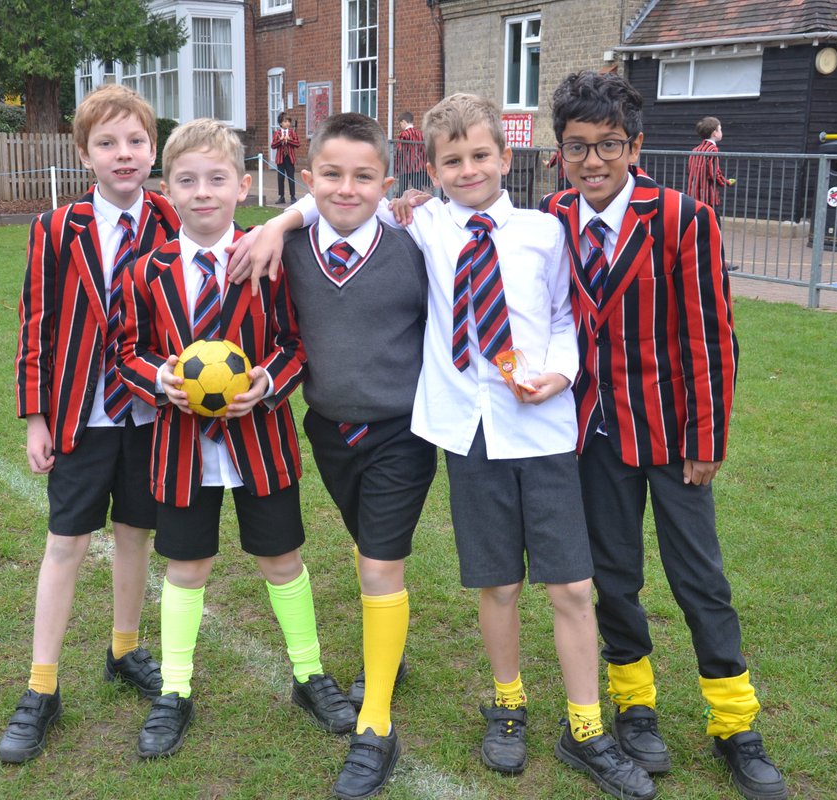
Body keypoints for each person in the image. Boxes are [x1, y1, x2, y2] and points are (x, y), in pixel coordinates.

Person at [242, 93, 656, 800]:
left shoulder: (543, 230)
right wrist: (282, 217)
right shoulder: (424, 224)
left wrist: (559, 373)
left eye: (481, 156)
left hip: (545, 430)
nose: (468, 171)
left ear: (508, 157)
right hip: (467, 431)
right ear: (428, 170)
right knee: (496, 583)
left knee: (572, 586)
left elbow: (565, 315)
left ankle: (586, 725)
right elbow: (337, 198)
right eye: (452, 161)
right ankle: (508, 703)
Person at [540, 72, 786, 800]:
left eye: (608, 145)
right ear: (560, 152)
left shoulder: (682, 220)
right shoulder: (550, 217)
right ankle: (635, 705)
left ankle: (734, 721)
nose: (593, 162)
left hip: (675, 434)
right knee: (614, 577)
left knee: (699, 578)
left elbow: (714, 340)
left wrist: (708, 437)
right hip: (596, 435)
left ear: (636, 146)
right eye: (577, 148)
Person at [116, 117, 356, 759]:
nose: (202, 193)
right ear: (167, 190)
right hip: (180, 450)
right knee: (186, 566)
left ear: (242, 184)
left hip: (260, 441)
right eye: (187, 181)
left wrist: (268, 383)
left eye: (217, 179)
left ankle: (310, 675)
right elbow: (125, 351)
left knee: (281, 559)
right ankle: (174, 689)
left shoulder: (270, 257)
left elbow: (294, 345)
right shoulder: (147, 271)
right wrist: (160, 378)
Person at [1, 83, 176, 764]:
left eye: (135, 141)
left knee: (135, 534)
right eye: (107, 143)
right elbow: (35, 326)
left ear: (153, 147)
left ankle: (125, 650)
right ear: (84, 154)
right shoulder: (55, 228)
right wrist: (36, 416)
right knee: (67, 543)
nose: (123, 154)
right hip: (81, 416)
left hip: (149, 414)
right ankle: (41, 687)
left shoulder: (172, 217)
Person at [283, 112, 434, 800]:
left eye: (364, 176)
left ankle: (376, 726)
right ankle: (387, 654)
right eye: (333, 176)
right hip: (328, 430)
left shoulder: (414, 247)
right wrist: (270, 227)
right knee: (366, 547)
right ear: (309, 180)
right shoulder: (286, 251)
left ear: (388, 182)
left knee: (381, 562)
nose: (348, 189)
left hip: (401, 434)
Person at [687, 116, 736, 210]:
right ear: (715, 134)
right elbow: (713, 173)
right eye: (720, 129)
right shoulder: (713, 150)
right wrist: (726, 182)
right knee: (714, 221)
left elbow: (690, 170)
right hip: (708, 196)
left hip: (693, 195)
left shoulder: (695, 150)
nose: (722, 132)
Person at [394, 111, 426, 196]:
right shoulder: (420, 134)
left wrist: (396, 167)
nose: (400, 126)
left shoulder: (404, 135)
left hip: (405, 166)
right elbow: (423, 150)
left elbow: (399, 151)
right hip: (418, 166)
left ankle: (399, 207)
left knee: (402, 190)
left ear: (404, 122)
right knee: (418, 190)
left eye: (400, 124)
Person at [272, 112, 300, 204]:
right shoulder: (277, 133)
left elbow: (297, 144)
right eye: (285, 121)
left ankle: (293, 196)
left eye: (288, 121)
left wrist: (289, 140)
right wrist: (280, 141)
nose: (287, 123)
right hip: (280, 159)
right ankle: (281, 196)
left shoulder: (292, 132)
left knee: (291, 177)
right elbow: (273, 145)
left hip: (290, 158)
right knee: (280, 177)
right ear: (280, 123)